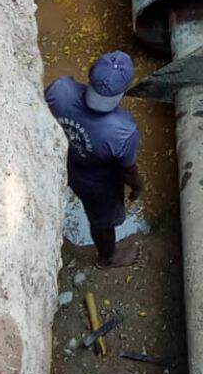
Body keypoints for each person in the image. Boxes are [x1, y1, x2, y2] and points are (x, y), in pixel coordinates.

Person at [45, 52, 146, 267]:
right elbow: (128, 170)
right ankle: (108, 257)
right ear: (126, 90)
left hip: (60, 166)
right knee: (102, 222)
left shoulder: (60, 90)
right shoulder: (123, 130)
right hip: (97, 185)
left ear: (90, 73)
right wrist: (137, 186)